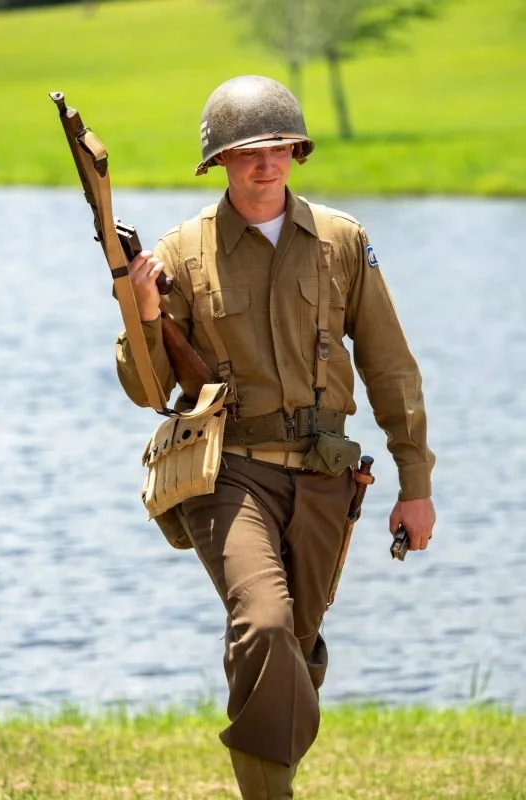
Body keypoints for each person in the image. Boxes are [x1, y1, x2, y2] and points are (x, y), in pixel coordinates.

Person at [115, 75, 436, 799]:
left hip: (326, 474)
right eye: (248, 150)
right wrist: (139, 311)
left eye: (279, 147)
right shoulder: (179, 253)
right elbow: (147, 389)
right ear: (220, 162)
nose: (266, 163)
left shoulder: (344, 241)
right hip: (227, 473)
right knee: (262, 624)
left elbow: (391, 368)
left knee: (294, 646)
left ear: (296, 151)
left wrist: (416, 486)